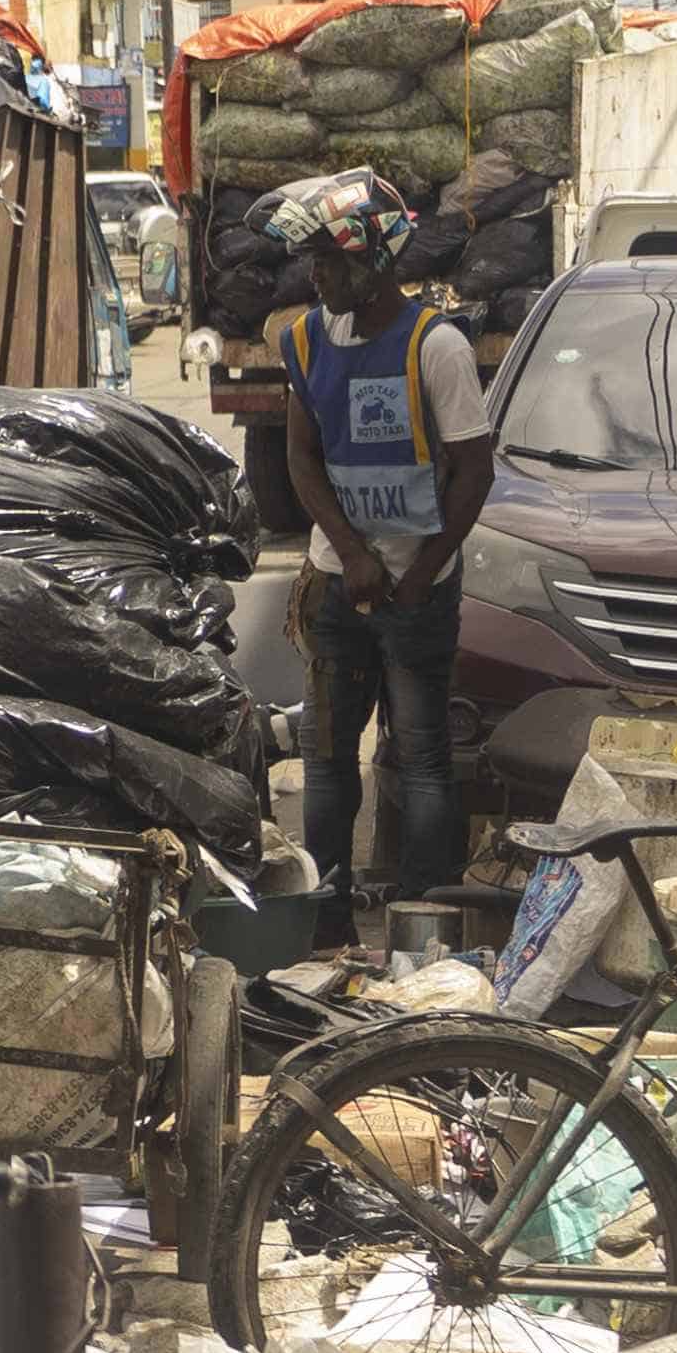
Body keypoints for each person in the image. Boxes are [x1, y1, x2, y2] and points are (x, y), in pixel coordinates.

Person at [267, 168, 496, 921]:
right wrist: (351, 552)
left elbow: (473, 469)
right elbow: (301, 458)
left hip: (418, 590)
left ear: (376, 261)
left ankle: (420, 919)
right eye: (314, 261)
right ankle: (325, 918)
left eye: (331, 261)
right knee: (328, 758)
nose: (317, 275)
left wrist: (419, 574)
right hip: (339, 584)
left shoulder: (437, 348)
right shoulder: (305, 341)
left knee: (422, 758)